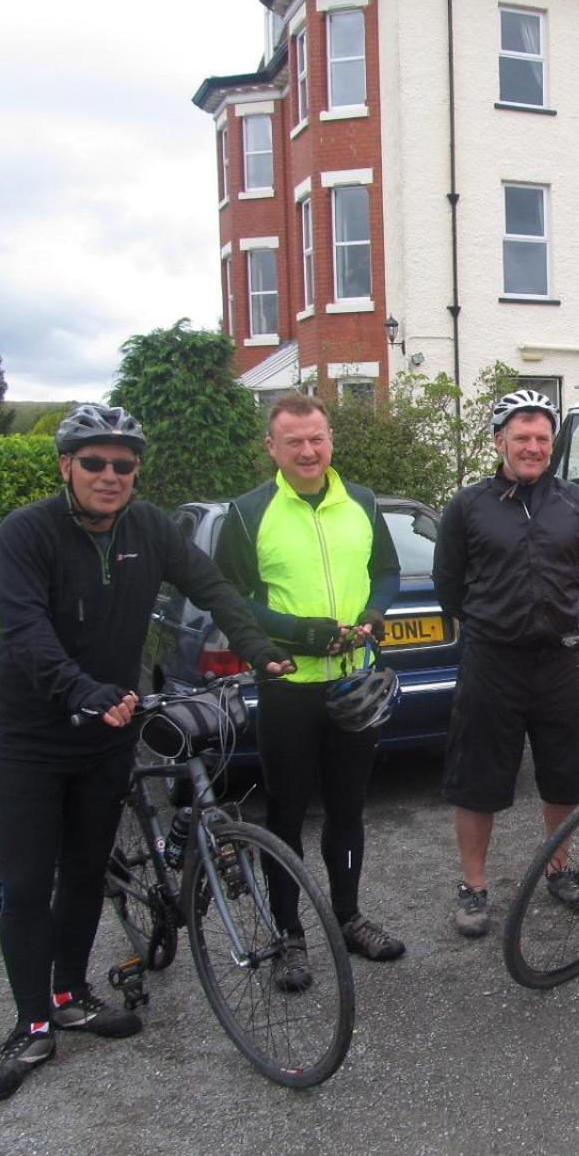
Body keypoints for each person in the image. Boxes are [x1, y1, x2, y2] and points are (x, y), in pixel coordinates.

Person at [0, 405, 291, 1104]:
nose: (110, 475)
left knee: (86, 869)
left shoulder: (149, 527)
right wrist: (82, 688)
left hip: (107, 731)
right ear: (66, 466)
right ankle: (32, 1023)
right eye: (94, 462)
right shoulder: (26, 533)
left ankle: (70, 993)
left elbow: (211, 588)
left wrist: (260, 646)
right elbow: (24, 629)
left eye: (123, 464)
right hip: (31, 736)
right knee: (28, 884)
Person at [216, 392, 407, 977]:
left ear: (331, 440)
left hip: (354, 686)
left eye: (317, 437)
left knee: (348, 811)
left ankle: (348, 917)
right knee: (287, 815)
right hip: (289, 689)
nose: (308, 450)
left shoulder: (363, 503)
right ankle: (289, 935)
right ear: (271, 447)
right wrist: (297, 631)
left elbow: (388, 573)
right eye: (294, 441)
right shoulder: (248, 513)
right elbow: (232, 598)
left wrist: (374, 617)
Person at [433, 389, 579, 938]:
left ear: (552, 444)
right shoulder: (468, 506)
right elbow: (449, 586)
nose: (533, 447)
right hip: (492, 661)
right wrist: (501, 619)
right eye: (522, 437)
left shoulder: (576, 503)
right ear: (499, 440)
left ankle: (560, 870)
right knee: (476, 780)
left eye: (542, 438)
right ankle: (475, 886)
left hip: (557, 660)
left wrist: (550, 612)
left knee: (564, 775)